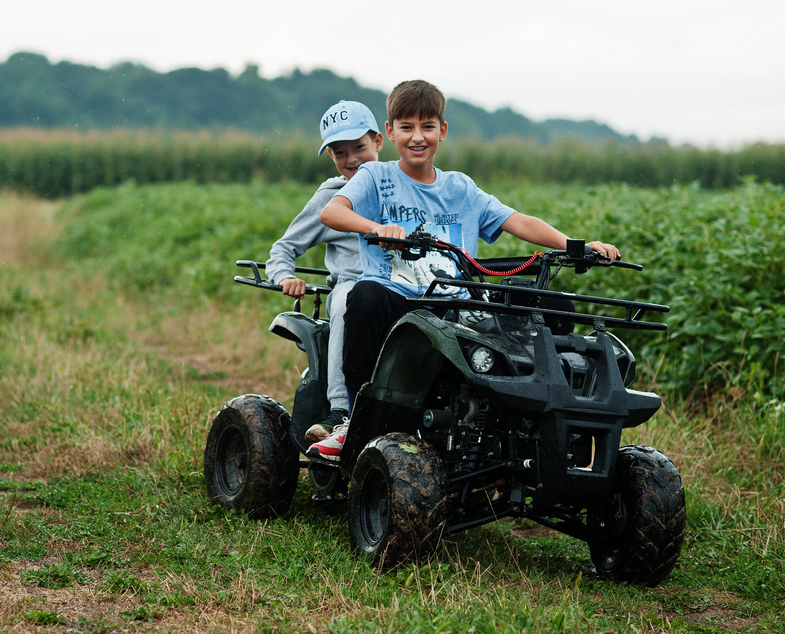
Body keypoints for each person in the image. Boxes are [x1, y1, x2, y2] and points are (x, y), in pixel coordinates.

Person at [307, 80, 621, 461]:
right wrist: (377, 228)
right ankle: (353, 419)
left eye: (427, 127)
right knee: (364, 295)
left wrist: (578, 247)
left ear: (443, 130)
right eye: (406, 128)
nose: (417, 137)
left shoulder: (461, 189)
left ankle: (533, 426)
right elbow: (332, 212)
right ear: (390, 133)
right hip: (398, 302)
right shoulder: (376, 177)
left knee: (552, 306)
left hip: (453, 305)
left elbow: (517, 220)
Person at [265, 100, 383, 443]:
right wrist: (285, 275)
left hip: (400, 287)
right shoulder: (331, 195)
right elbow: (284, 247)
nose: (351, 159)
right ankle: (339, 410)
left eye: (359, 147)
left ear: (378, 141)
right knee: (348, 299)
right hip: (352, 285)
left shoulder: (400, 186)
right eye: (339, 152)